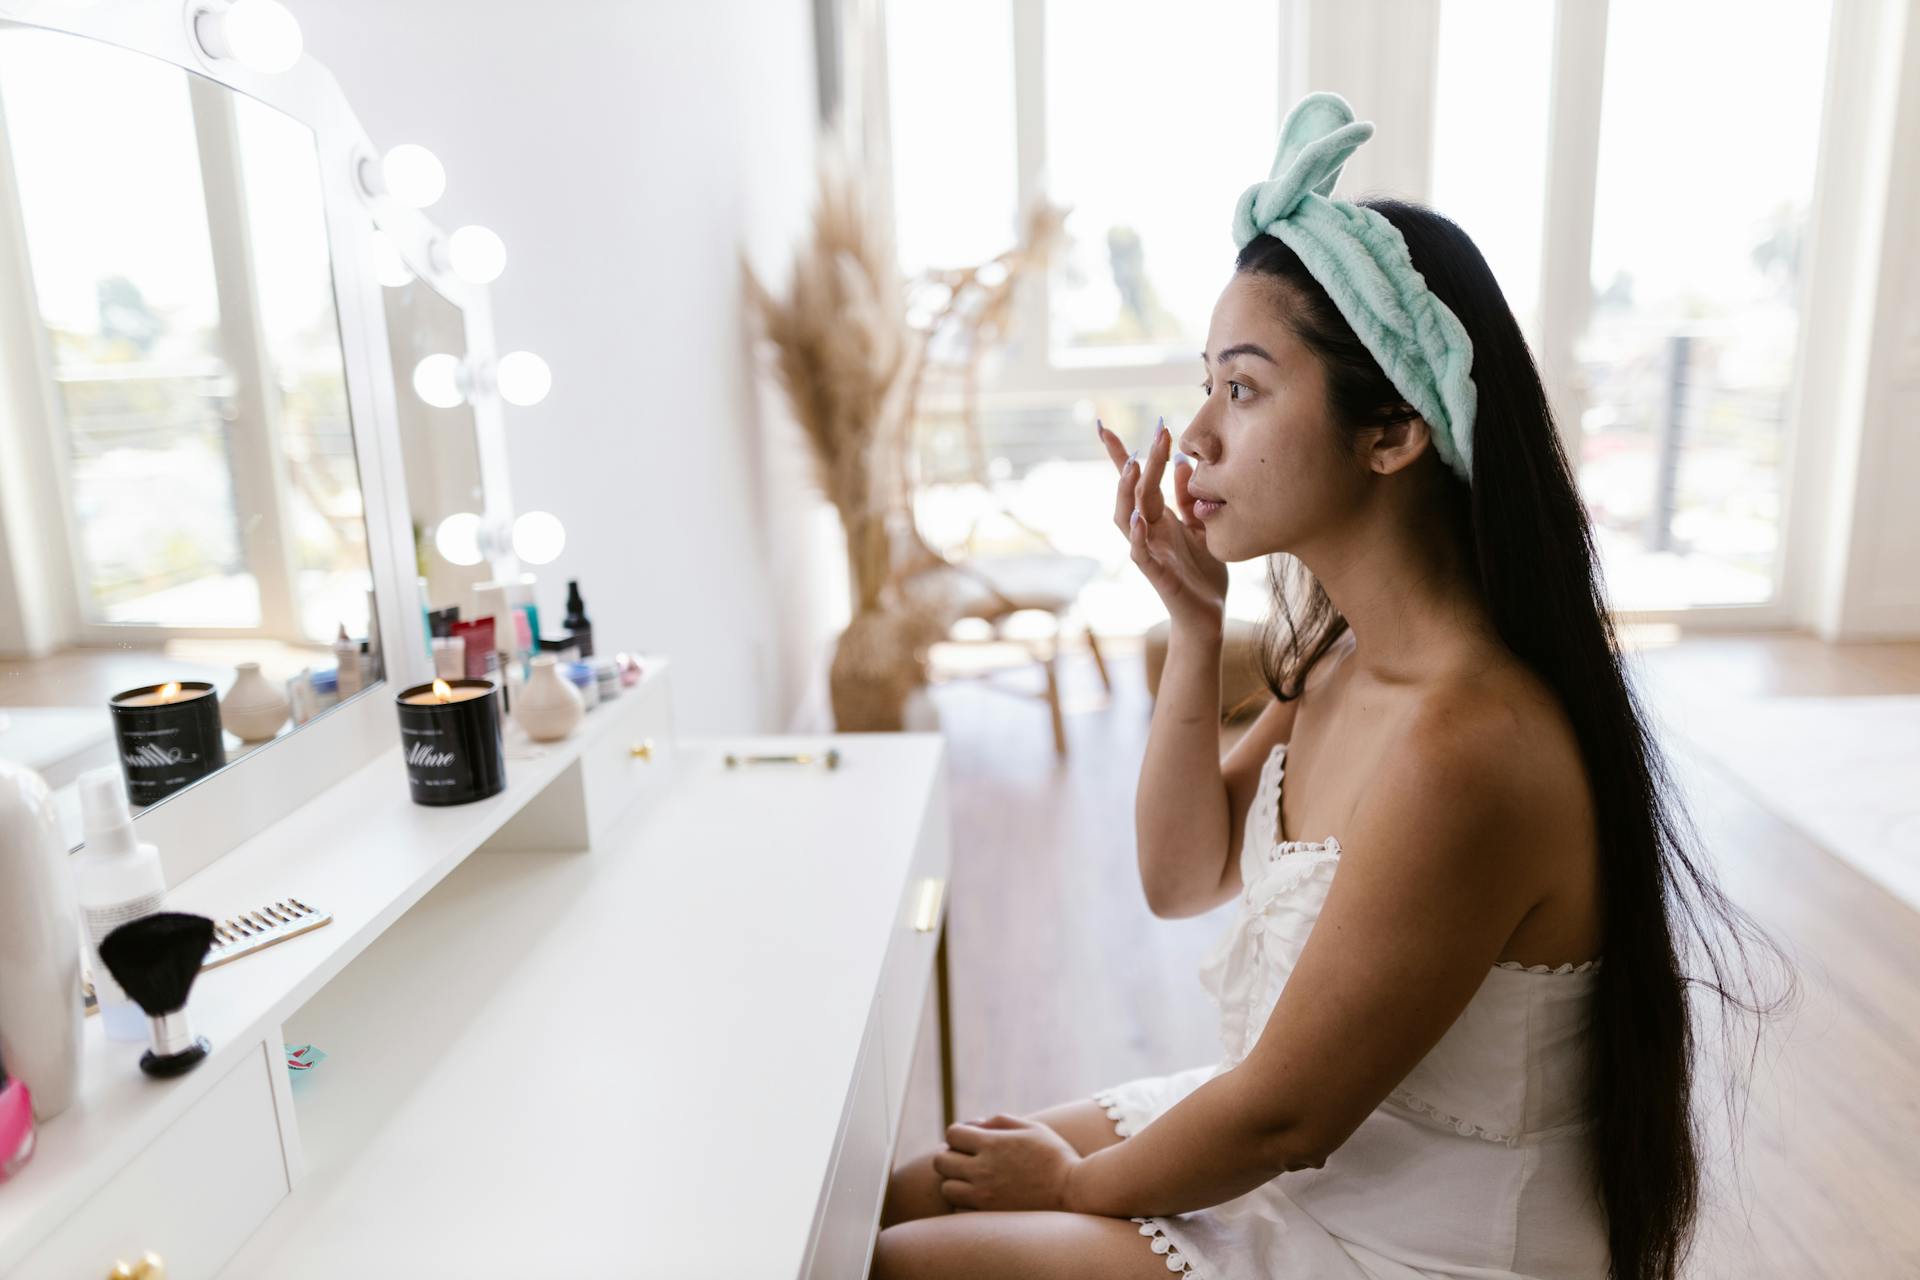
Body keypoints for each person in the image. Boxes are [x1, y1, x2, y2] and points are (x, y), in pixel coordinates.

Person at [870, 92, 1786, 1280]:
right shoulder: (1349, 660)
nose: (1195, 433)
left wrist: (1074, 1185)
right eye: (1207, 383)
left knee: (905, 1261)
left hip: (1408, 1238)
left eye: (1243, 389)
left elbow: (1283, 1120)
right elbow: (1182, 874)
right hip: (1320, 1160)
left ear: (1393, 432)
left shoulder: (1471, 742)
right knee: (889, 1203)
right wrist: (1195, 629)